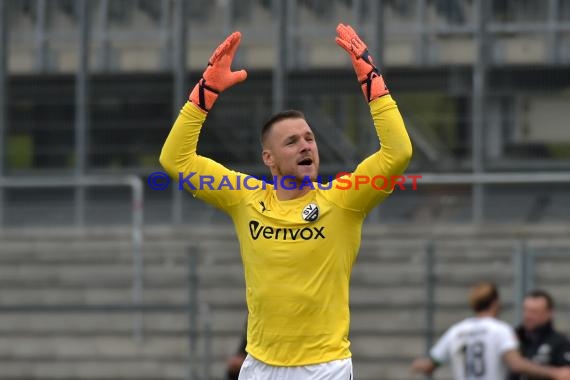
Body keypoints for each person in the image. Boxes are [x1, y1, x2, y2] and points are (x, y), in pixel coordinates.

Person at [160, 23, 413, 379]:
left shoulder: (343, 199)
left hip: (324, 368)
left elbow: (398, 152)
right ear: (269, 158)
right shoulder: (244, 197)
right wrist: (206, 92)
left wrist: (371, 79)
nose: (306, 145)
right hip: (259, 367)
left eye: (309, 138)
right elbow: (176, 159)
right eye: (292, 142)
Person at [410, 282, 570, 380]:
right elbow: (516, 364)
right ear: (495, 302)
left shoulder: (456, 331)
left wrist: (417, 365)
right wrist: (555, 373)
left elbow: (430, 365)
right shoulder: (500, 330)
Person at [509, 290, 570, 380]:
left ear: (549, 313)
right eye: (526, 310)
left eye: (534, 311)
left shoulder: (560, 343)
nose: (528, 316)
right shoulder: (512, 338)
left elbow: (565, 374)